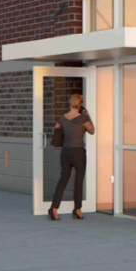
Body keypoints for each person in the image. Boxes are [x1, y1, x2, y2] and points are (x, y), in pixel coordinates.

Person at [48, 92, 92, 220]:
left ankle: (54, 209)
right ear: (80, 105)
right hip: (78, 152)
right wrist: (87, 114)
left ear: (70, 103)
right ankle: (77, 209)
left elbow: (57, 131)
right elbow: (92, 131)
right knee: (78, 181)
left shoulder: (62, 118)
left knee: (63, 180)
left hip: (65, 152)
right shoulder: (82, 118)